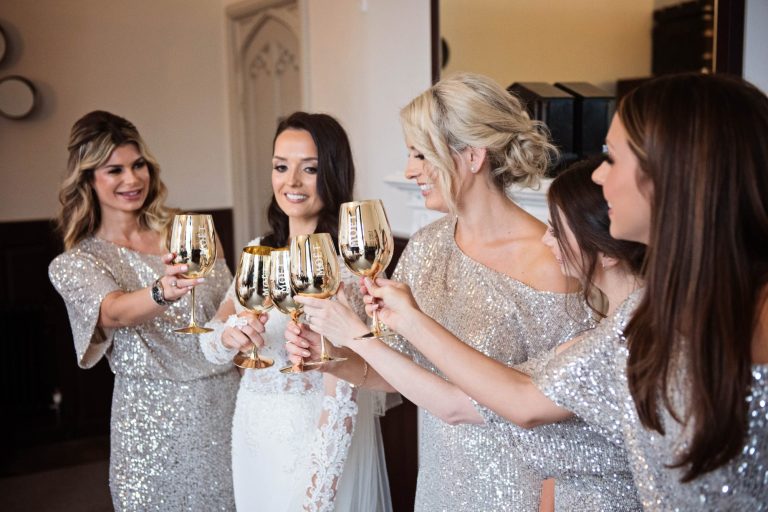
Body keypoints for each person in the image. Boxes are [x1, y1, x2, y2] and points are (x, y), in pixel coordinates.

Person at [359, 73, 768, 509]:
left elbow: (506, 405)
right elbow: (513, 399)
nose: (599, 176)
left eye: (613, 158)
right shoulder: (642, 318)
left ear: (678, 175)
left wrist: (394, 325)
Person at [286, 73, 593, 511]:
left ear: (472, 156)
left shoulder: (552, 260)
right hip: (438, 484)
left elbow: (567, 421)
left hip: (517, 492)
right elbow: (400, 374)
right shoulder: (426, 247)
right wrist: (332, 358)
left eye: (421, 154)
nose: (410, 170)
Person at [198, 112, 393, 512]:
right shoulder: (259, 249)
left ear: (333, 173)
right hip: (253, 435)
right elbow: (211, 343)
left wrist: (318, 492)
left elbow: (344, 392)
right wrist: (229, 336)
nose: (292, 182)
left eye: (310, 169)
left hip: (313, 443)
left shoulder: (347, 266)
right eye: (281, 167)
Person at [48, 111, 237, 510]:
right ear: (88, 179)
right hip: (150, 421)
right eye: (114, 170)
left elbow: (229, 304)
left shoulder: (190, 232)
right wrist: (162, 290)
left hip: (224, 402)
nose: (132, 179)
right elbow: (114, 311)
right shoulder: (77, 263)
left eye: (138, 165)